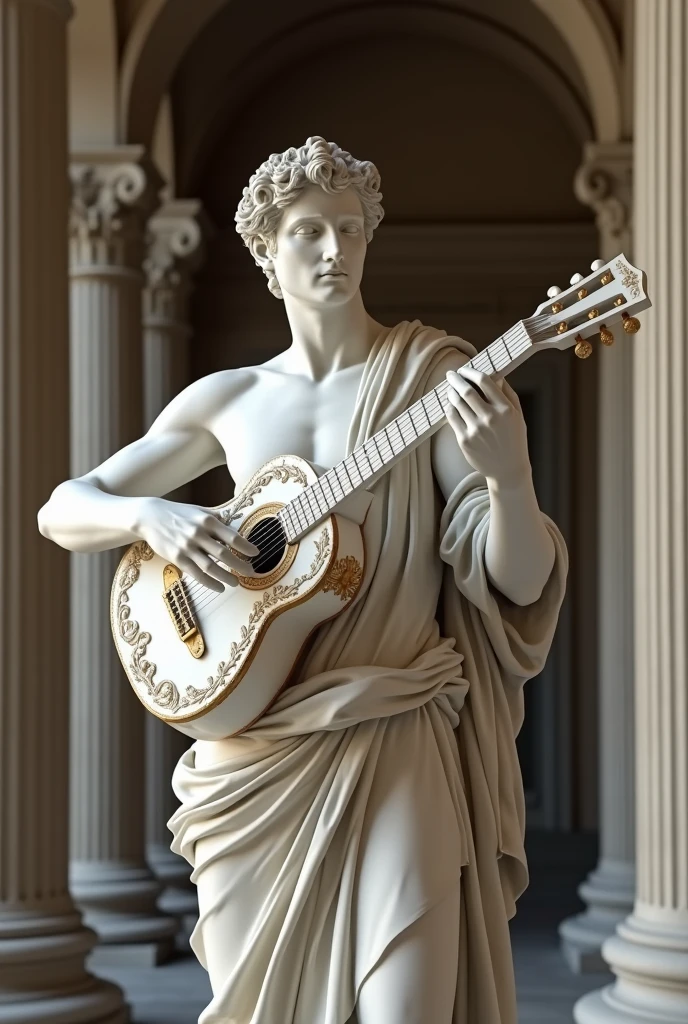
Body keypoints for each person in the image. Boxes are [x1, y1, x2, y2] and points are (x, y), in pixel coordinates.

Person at [38, 137, 568, 1024]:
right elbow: (63, 509)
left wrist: (510, 483)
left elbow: (520, 583)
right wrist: (149, 517)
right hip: (252, 764)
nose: (335, 250)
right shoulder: (230, 399)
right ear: (267, 253)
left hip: (394, 737)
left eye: (351, 230)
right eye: (310, 231)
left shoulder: (430, 379)